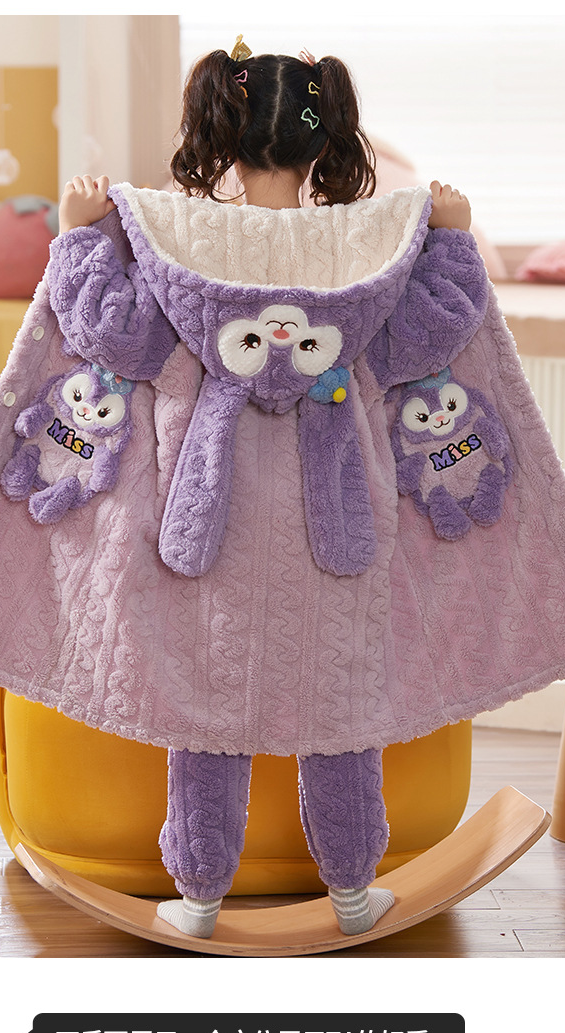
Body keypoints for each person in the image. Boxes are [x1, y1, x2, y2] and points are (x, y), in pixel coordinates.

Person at [52, 43, 478, 940]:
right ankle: (354, 894)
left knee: (209, 710)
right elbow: (424, 338)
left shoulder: (178, 237)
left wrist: (81, 236)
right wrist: (453, 239)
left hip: (214, 520)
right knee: (340, 706)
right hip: (340, 519)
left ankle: (200, 899)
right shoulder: (367, 245)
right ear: (325, 137)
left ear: (220, 132)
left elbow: (117, 337)